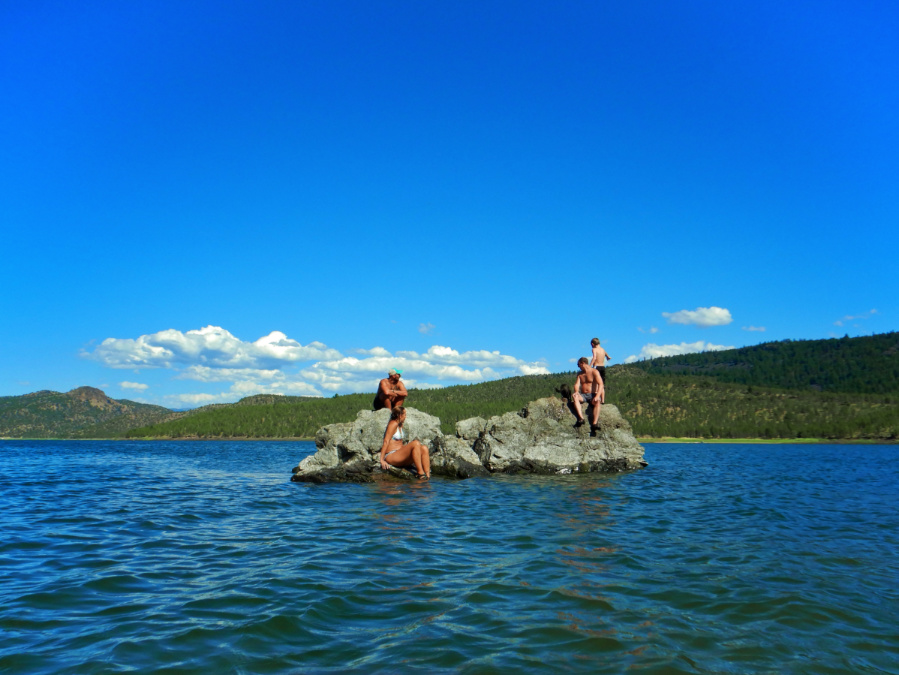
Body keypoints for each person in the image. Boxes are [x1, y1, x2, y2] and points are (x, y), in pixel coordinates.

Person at [379, 407, 431, 480]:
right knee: (415, 443)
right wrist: (381, 460)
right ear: (400, 415)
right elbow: (386, 441)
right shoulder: (393, 424)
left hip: (401, 455)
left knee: (424, 448)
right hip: (391, 455)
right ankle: (420, 473)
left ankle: (428, 476)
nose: (405, 417)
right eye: (405, 415)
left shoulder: (400, 425)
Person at [572, 356, 604, 435]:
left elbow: (601, 384)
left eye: (578, 365)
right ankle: (581, 418)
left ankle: (594, 423)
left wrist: (597, 396)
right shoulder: (580, 374)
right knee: (575, 396)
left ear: (582, 363)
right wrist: (576, 391)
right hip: (583, 395)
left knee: (597, 402)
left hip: (593, 394)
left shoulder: (594, 371)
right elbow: (577, 384)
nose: (578, 367)